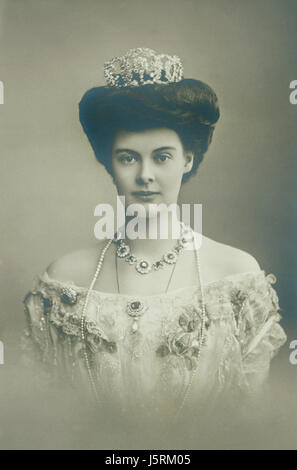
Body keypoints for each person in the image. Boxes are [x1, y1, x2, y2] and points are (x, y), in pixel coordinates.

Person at [22, 48, 287, 430]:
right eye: (128, 158)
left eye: (162, 157)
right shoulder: (65, 280)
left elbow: (247, 427)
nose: (146, 175)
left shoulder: (237, 278)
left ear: (188, 160)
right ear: (108, 164)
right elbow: (45, 422)